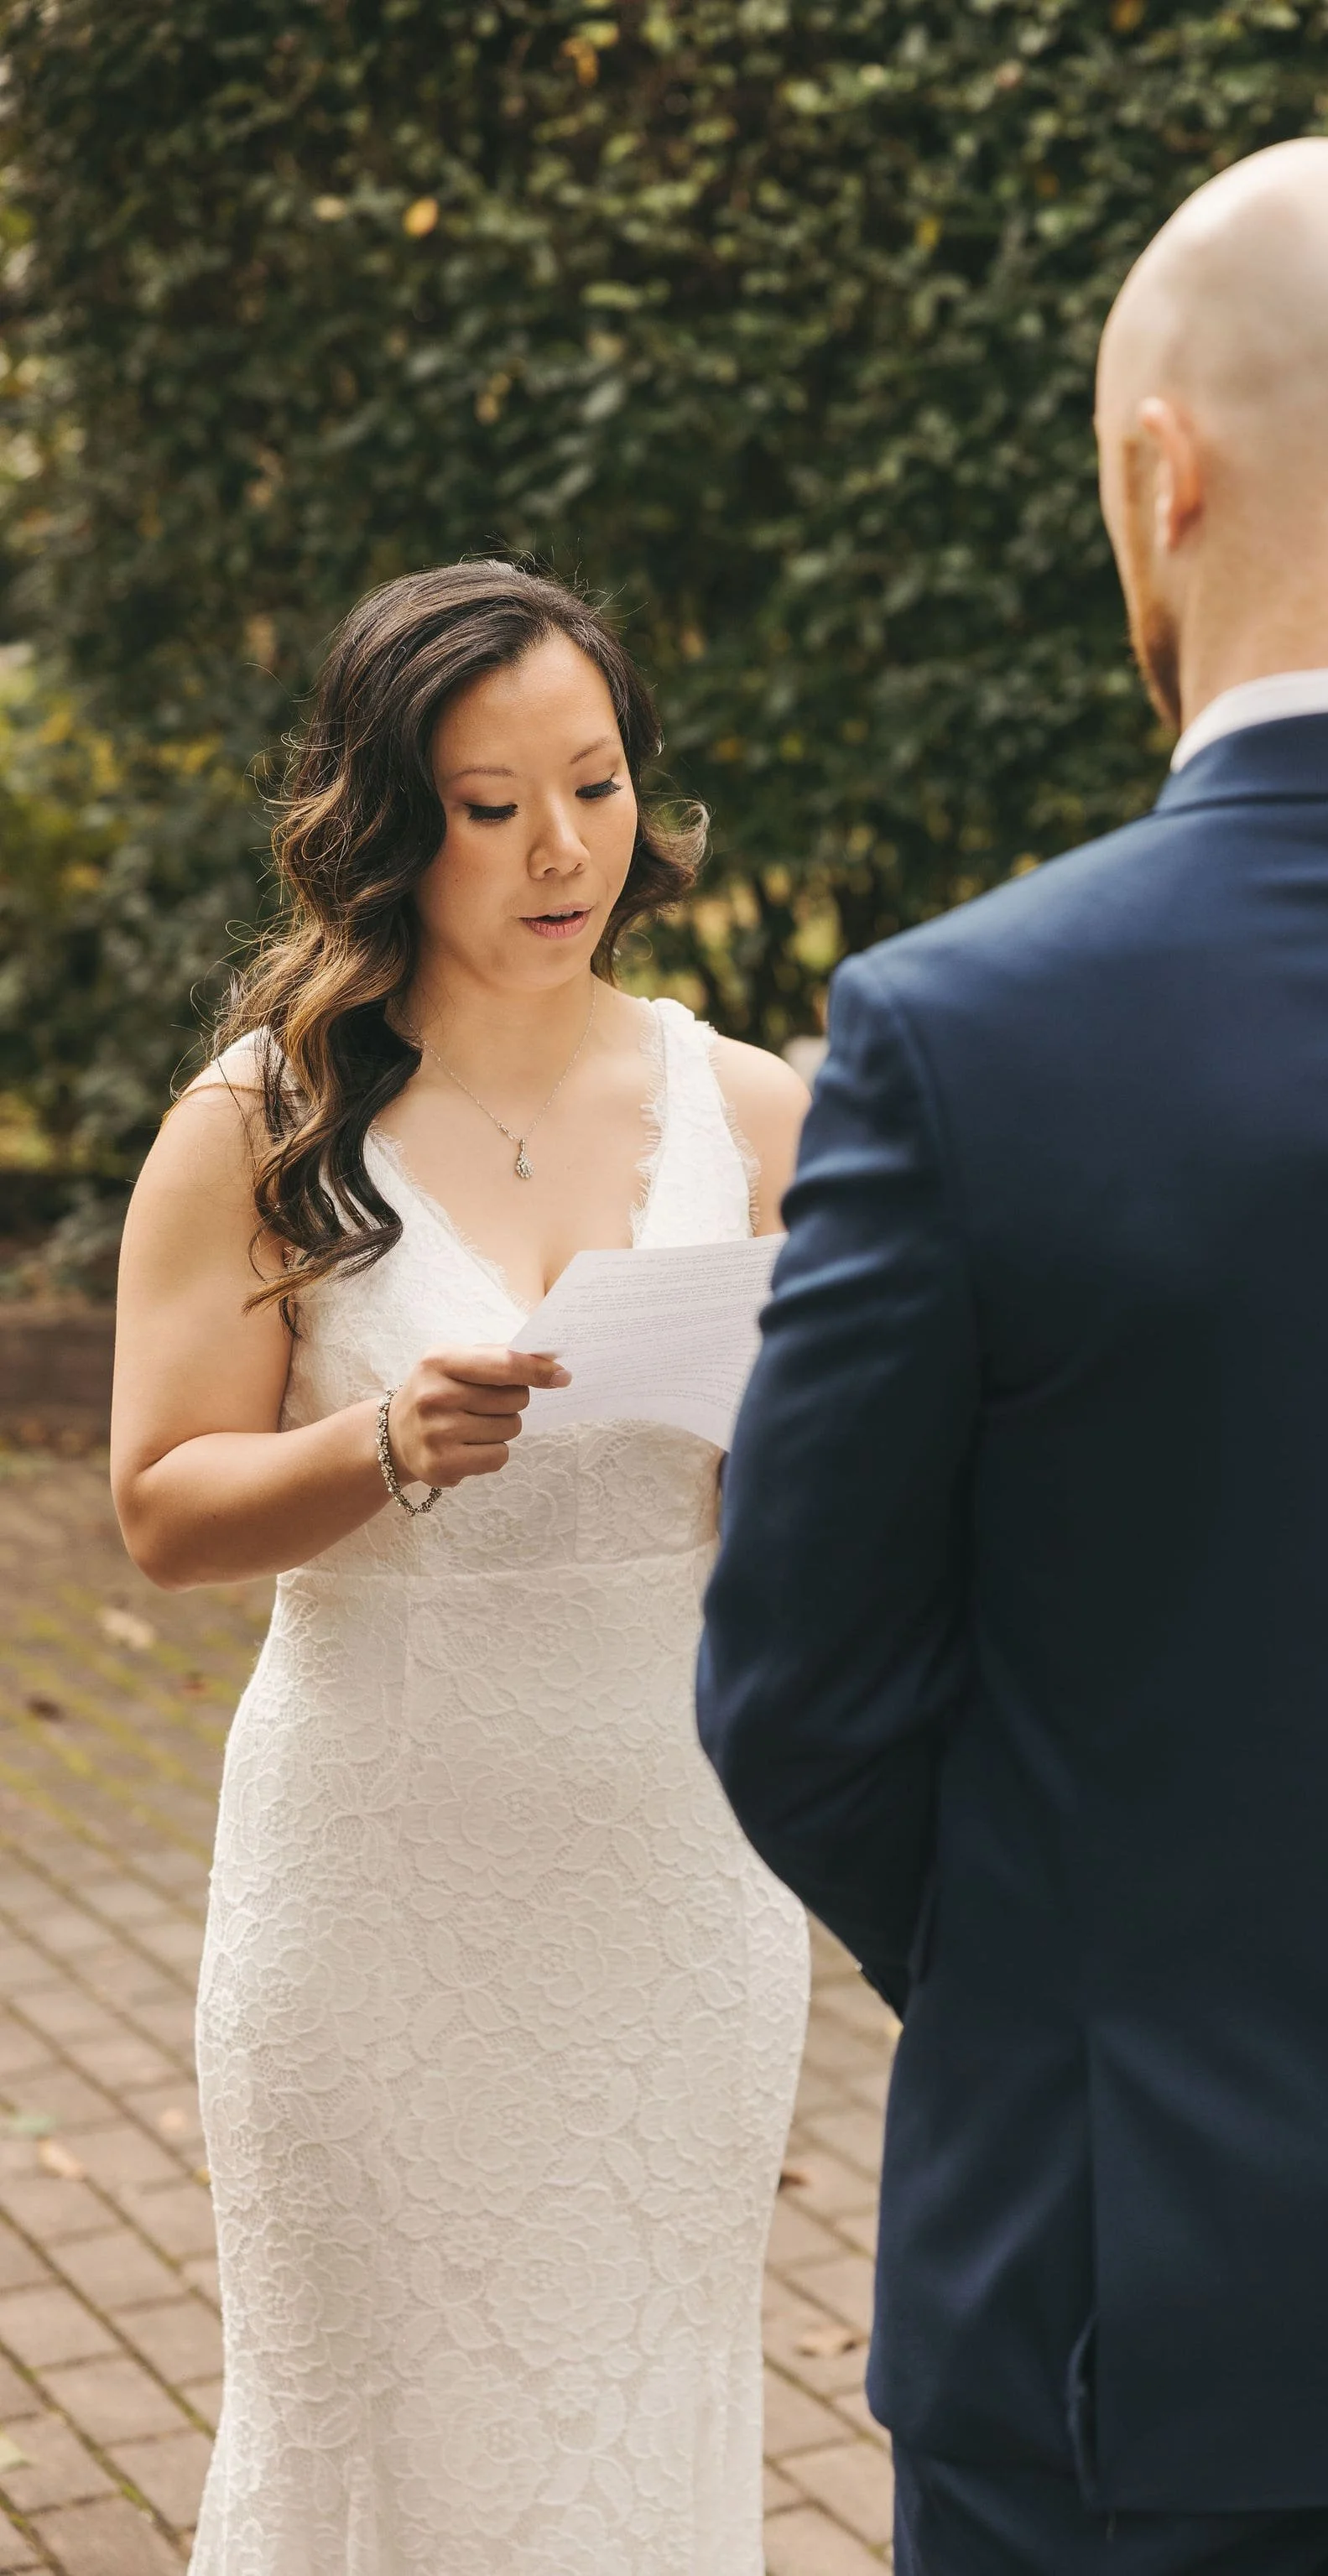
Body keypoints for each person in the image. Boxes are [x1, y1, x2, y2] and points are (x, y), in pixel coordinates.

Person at [698, 137, 1328, 2574]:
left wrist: (1063, 1974)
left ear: (1159, 473)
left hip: (1125, 2314)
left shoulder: (960, 1035)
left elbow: (800, 1689)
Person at [110, 560, 811, 2575]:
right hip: (371, 1892)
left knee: (638, 2413)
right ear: (391, 824)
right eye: (492, 806)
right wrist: (379, 1441)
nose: (562, 846)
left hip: (671, 1894)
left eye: (591, 783)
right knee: (372, 2426)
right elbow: (159, 1504)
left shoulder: (750, 1108)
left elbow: (817, 1517)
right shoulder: (265, 1117)